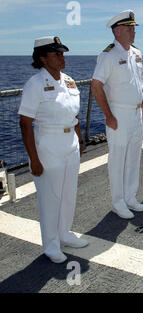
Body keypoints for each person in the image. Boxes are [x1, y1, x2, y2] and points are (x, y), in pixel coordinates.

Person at [19, 36, 88, 263]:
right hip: (48, 145)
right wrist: (34, 159)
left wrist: (79, 139)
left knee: (69, 194)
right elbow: (25, 123)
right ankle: (51, 245)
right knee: (51, 198)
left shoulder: (69, 81)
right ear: (42, 58)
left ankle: (65, 234)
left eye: (62, 53)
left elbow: (74, 115)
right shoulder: (35, 84)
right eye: (56, 54)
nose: (62, 58)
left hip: (70, 145)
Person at [91, 10, 143, 219]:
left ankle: (130, 197)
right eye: (129, 28)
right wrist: (108, 115)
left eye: (133, 28)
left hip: (135, 114)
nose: (133, 32)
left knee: (134, 156)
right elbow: (96, 86)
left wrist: (142, 105)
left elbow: (141, 83)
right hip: (119, 113)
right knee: (118, 159)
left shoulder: (136, 53)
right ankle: (118, 202)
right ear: (117, 31)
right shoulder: (108, 55)